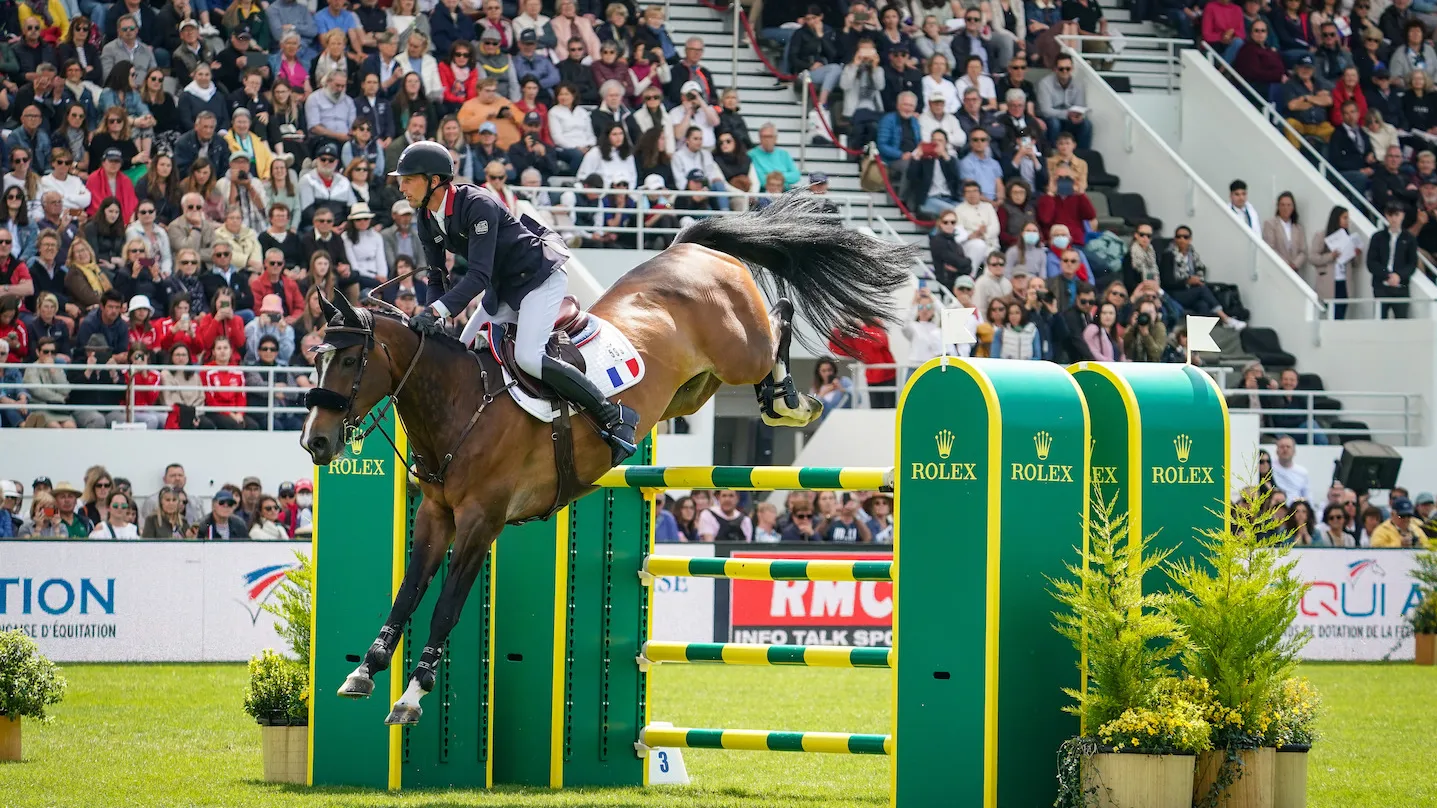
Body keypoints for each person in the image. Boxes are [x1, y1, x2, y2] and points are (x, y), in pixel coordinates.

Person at [393, 141, 638, 464]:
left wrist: (438, 310)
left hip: (538, 278)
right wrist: (432, 315)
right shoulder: (426, 218)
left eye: (408, 179)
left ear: (435, 180)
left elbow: (478, 275)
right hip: (505, 287)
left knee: (528, 357)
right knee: (459, 354)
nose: (401, 186)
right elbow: (437, 276)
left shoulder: (476, 205)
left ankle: (614, 417)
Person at [1367, 201, 1417, 318]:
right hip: (1381, 286)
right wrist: (1387, 275)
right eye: (1391, 215)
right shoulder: (1377, 237)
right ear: (1386, 215)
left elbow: (1412, 263)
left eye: (1397, 215)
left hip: (1401, 287)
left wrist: (1399, 275)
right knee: (1379, 321)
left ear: (1402, 215)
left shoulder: (1409, 238)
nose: (1394, 219)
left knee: (1401, 322)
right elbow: (1371, 262)